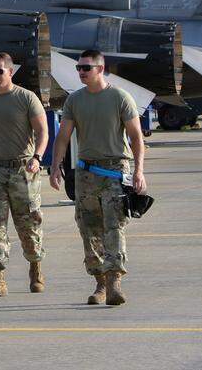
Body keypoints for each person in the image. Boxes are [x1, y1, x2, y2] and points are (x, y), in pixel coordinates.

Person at [50, 49, 146, 306]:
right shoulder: (74, 100)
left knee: (114, 226)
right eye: (79, 68)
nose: (81, 72)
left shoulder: (120, 97)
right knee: (88, 227)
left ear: (100, 69)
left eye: (86, 68)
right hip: (86, 172)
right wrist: (56, 165)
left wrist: (138, 171)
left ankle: (115, 281)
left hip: (115, 170)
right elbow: (64, 136)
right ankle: (100, 283)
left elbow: (136, 136)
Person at [0, 52, 49, 298]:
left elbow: (42, 131)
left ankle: (36, 270)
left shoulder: (26, 98)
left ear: (10, 72)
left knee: (28, 225)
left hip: (23, 170)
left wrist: (37, 158)